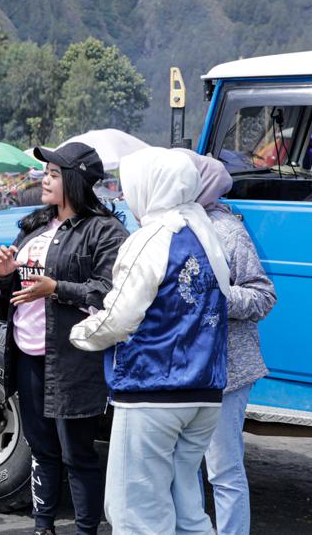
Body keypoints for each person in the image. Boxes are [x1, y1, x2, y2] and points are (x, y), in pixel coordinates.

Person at [69, 147, 231, 534]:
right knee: (188, 511)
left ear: (152, 186)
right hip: (205, 393)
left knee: (136, 513)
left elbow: (119, 318)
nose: (126, 196)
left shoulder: (150, 239)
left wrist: (81, 333)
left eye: (129, 187)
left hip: (153, 391)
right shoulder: (206, 235)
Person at [0, 142, 128, 535]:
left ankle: (86, 530)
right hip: (28, 354)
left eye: (53, 174)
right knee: (42, 450)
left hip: (73, 358)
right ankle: (43, 527)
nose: (44, 180)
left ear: (75, 180)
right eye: (45, 173)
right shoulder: (33, 225)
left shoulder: (104, 231)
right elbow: (13, 294)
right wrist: (4, 275)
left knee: (78, 454)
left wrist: (55, 288)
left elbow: (107, 291)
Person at [182, 150, 276, 535]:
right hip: (186, 369)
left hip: (228, 373)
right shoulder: (173, 225)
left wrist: (218, 296)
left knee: (223, 469)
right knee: (184, 466)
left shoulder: (227, 230)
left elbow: (263, 296)